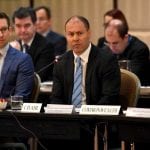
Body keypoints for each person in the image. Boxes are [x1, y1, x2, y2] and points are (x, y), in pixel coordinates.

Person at [50, 15, 120, 150]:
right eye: (71, 34)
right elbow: (56, 98)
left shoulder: (106, 60)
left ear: (89, 33)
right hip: (69, 123)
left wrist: (84, 116)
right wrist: (68, 118)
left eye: (79, 33)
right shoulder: (61, 62)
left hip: (95, 124)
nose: (75, 38)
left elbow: (109, 98)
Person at [11, 7, 55, 82]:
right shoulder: (13, 46)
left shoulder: (46, 46)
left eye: (27, 25)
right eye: (18, 26)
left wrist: (17, 57)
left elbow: (36, 77)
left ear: (35, 25)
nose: (23, 30)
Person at [104, 19, 150, 86]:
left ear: (126, 38)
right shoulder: (106, 49)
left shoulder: (140, 50)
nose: (111, 47)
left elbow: (130, 78)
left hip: (137, 92)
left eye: (115, 43)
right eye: (108, 43)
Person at [0, 11, 34, 101]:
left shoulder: (23, 60)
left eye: (3, 29)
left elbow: (20, 98)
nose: (0, 35)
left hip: (6, 113)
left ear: (10, 30)